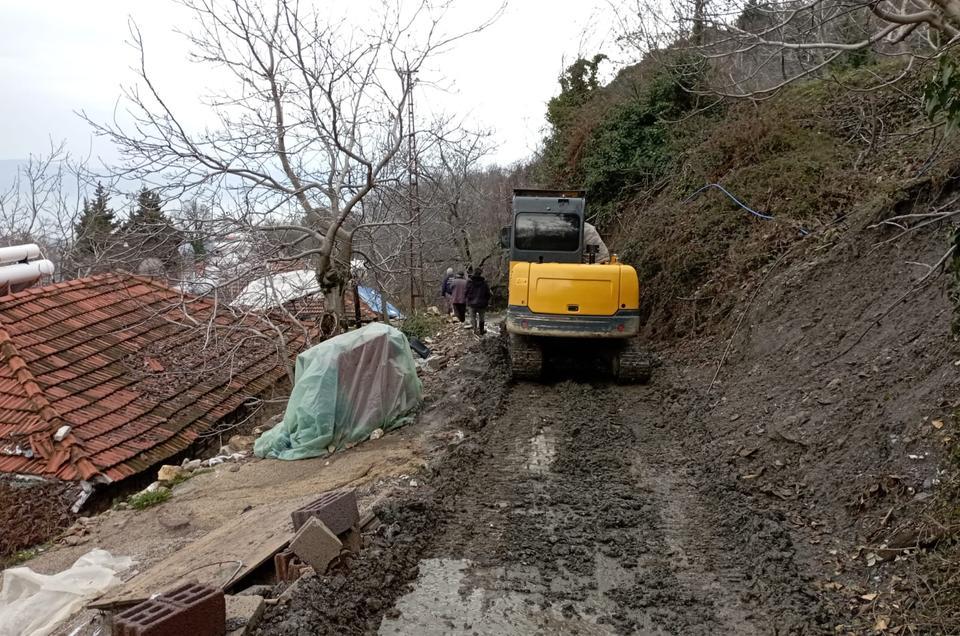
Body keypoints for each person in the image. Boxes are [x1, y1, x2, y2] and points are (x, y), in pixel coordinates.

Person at [465, 269, 491, 335]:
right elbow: (488, 294)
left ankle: (475, 330)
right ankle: (481, 331)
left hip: (471, 304)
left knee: (473, 318)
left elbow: (465, 292)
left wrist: (467, 300)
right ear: (480, 274)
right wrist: (486, 301)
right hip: (482, 304)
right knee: (482, 318)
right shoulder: (484, 283)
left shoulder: (469, 282)